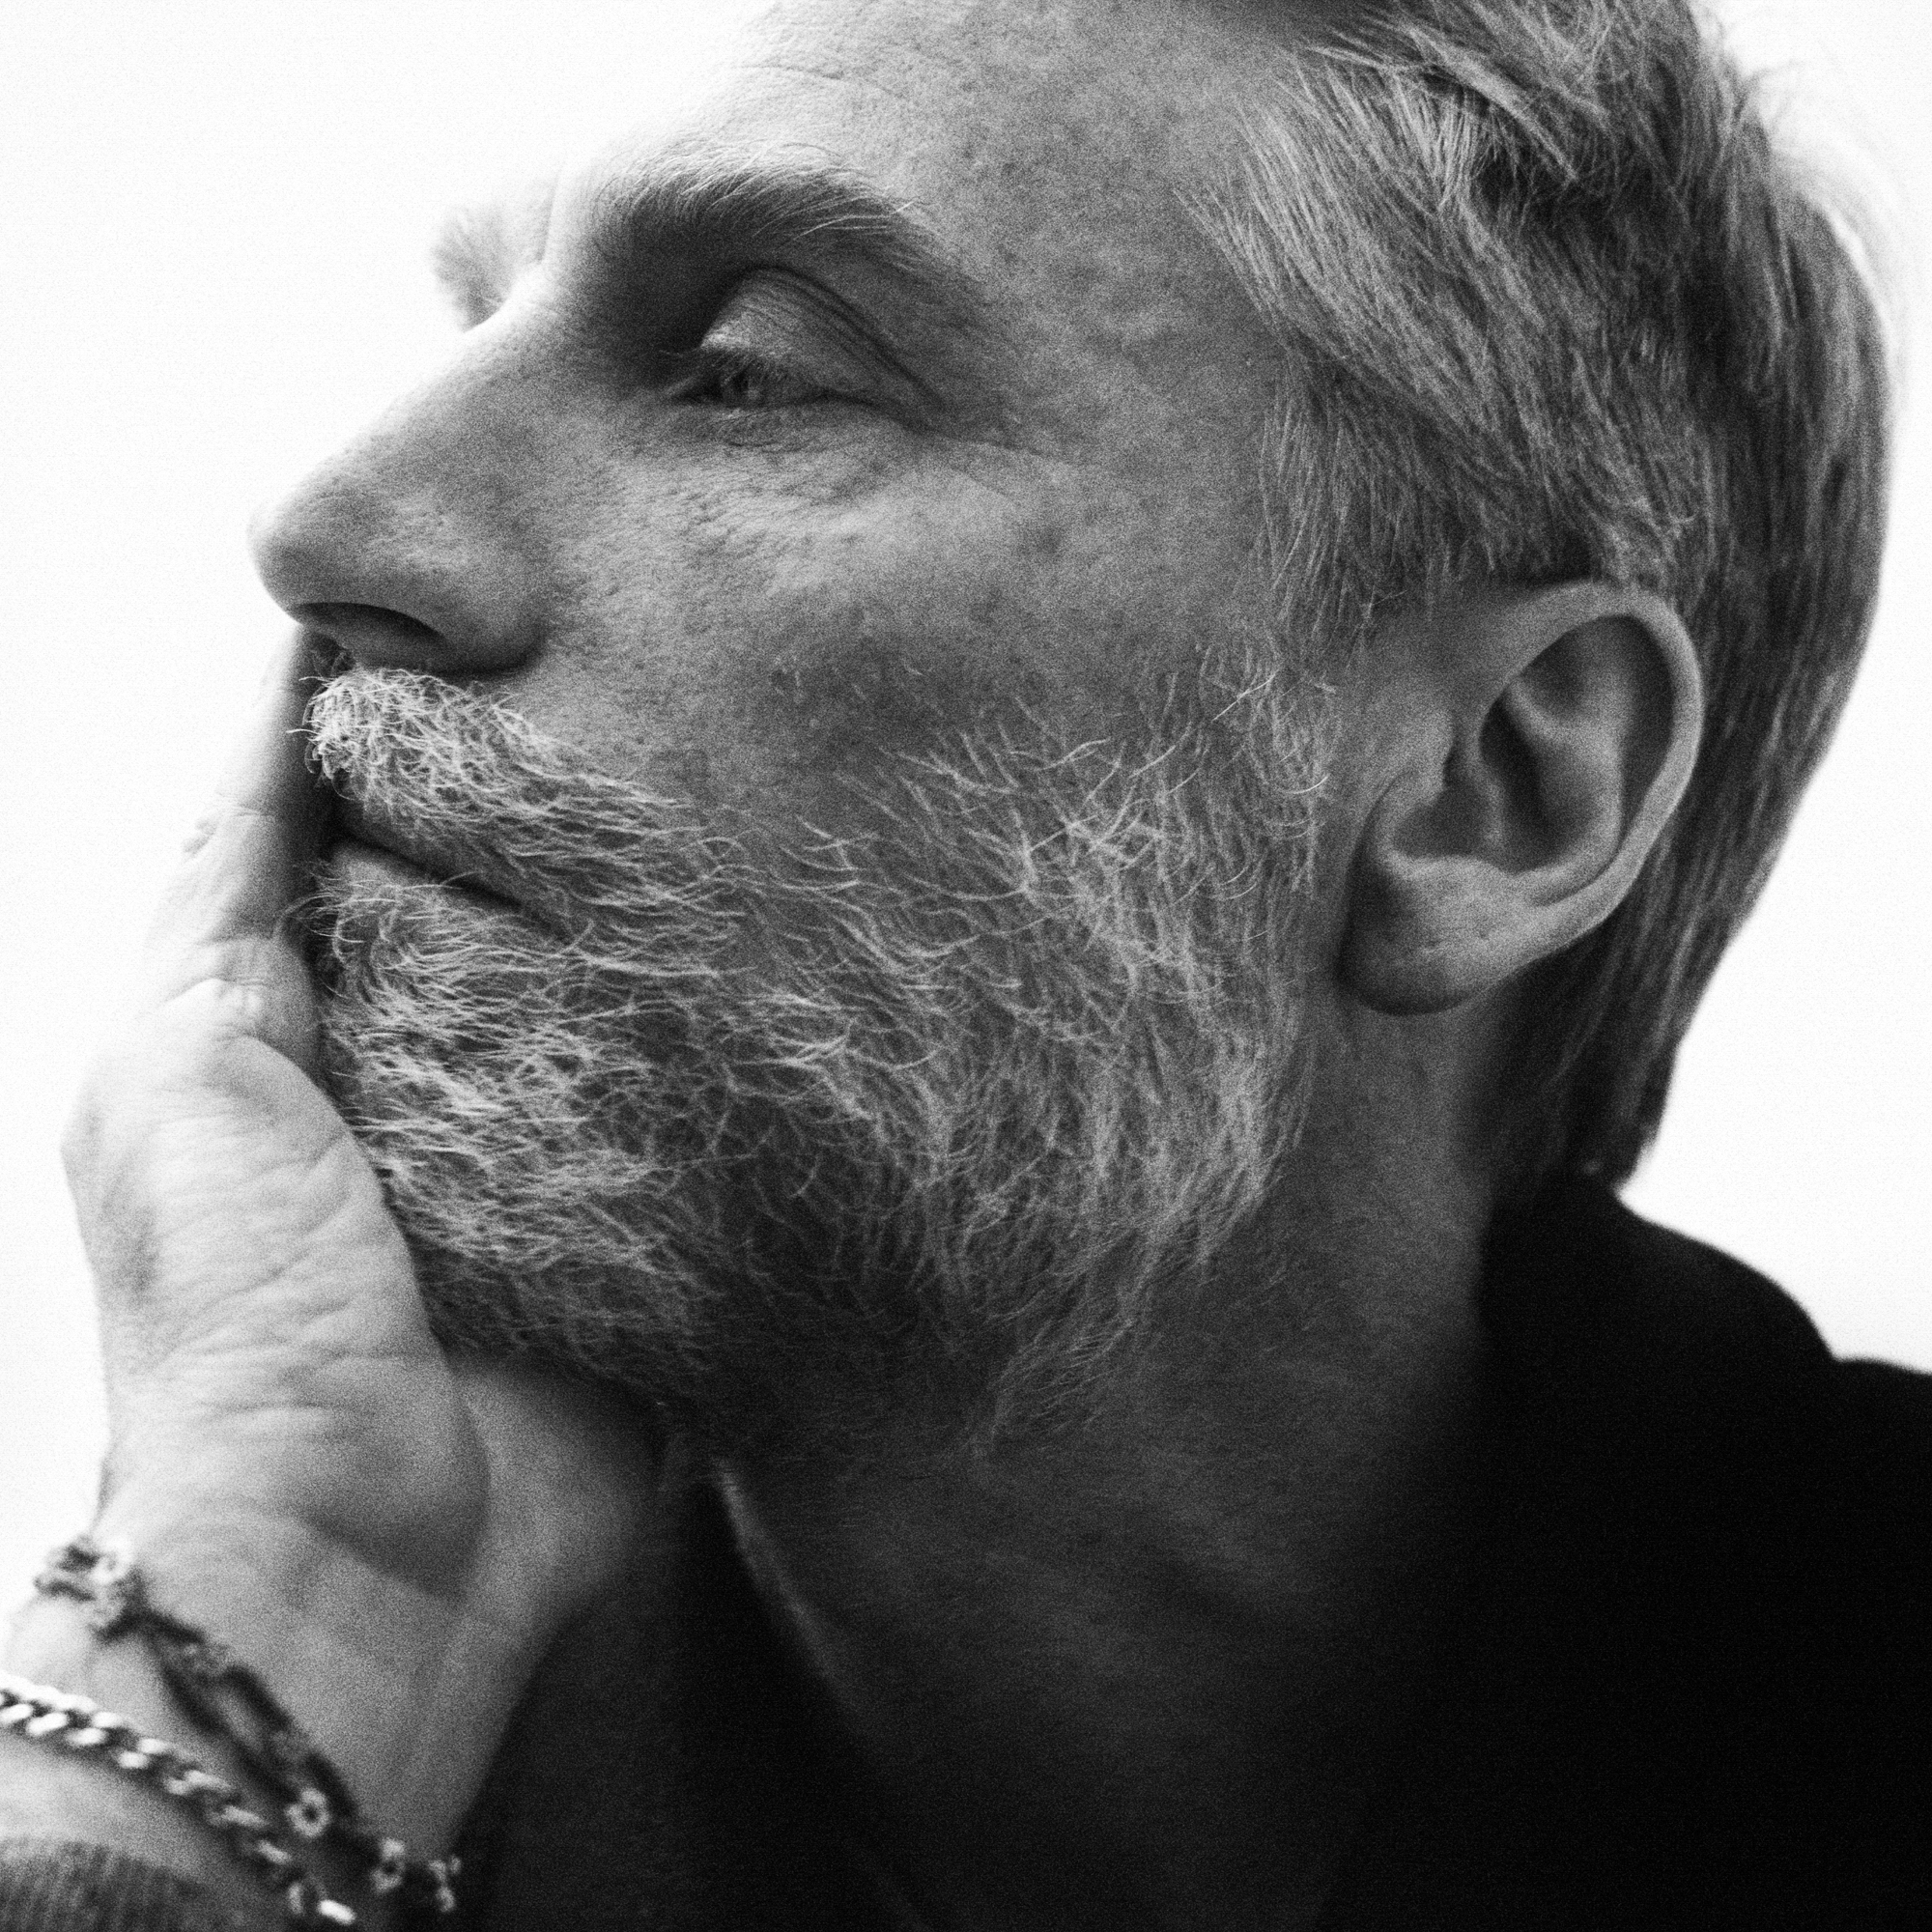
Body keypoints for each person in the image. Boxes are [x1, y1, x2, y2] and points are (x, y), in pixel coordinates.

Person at [0, 0, 1920, 1925]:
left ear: (1490, 788)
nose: (326, 530)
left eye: (745, 370)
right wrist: (289, 1589)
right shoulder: (340, 1765)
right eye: (473, 330)